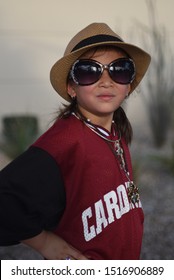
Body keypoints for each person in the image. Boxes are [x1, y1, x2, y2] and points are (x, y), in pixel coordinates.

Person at [0, 22, 151, 260]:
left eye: (119, 69)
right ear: (71, 87)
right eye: (88, 71)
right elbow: (5, 199)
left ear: (129, 84)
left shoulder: (115, 132)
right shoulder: (65, 142)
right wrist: (45, 242)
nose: (106, 80)